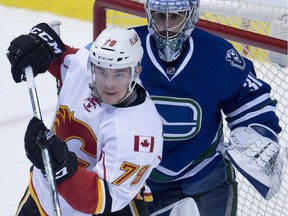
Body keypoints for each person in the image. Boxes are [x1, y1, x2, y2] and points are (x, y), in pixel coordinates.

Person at [8, 0, 284, 215]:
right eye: (160, 15)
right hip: (139, 182)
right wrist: (47, 48)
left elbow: (250, 98)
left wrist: (256, 130)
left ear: (191, 15)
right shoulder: (125, 48)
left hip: (202, 174)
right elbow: (82, 66)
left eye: (174, 16)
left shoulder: (219, 56)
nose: (165, 26)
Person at [7, 24, 163, 215]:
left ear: (136, 71)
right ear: (92, 66)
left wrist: (58, 167)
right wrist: (42, 46)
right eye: (102, 72)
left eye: (119, 74)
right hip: (42, 197)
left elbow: (99, 199)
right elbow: (63, 60)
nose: (109, 84)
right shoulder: (83, 68)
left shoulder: (140, 133)